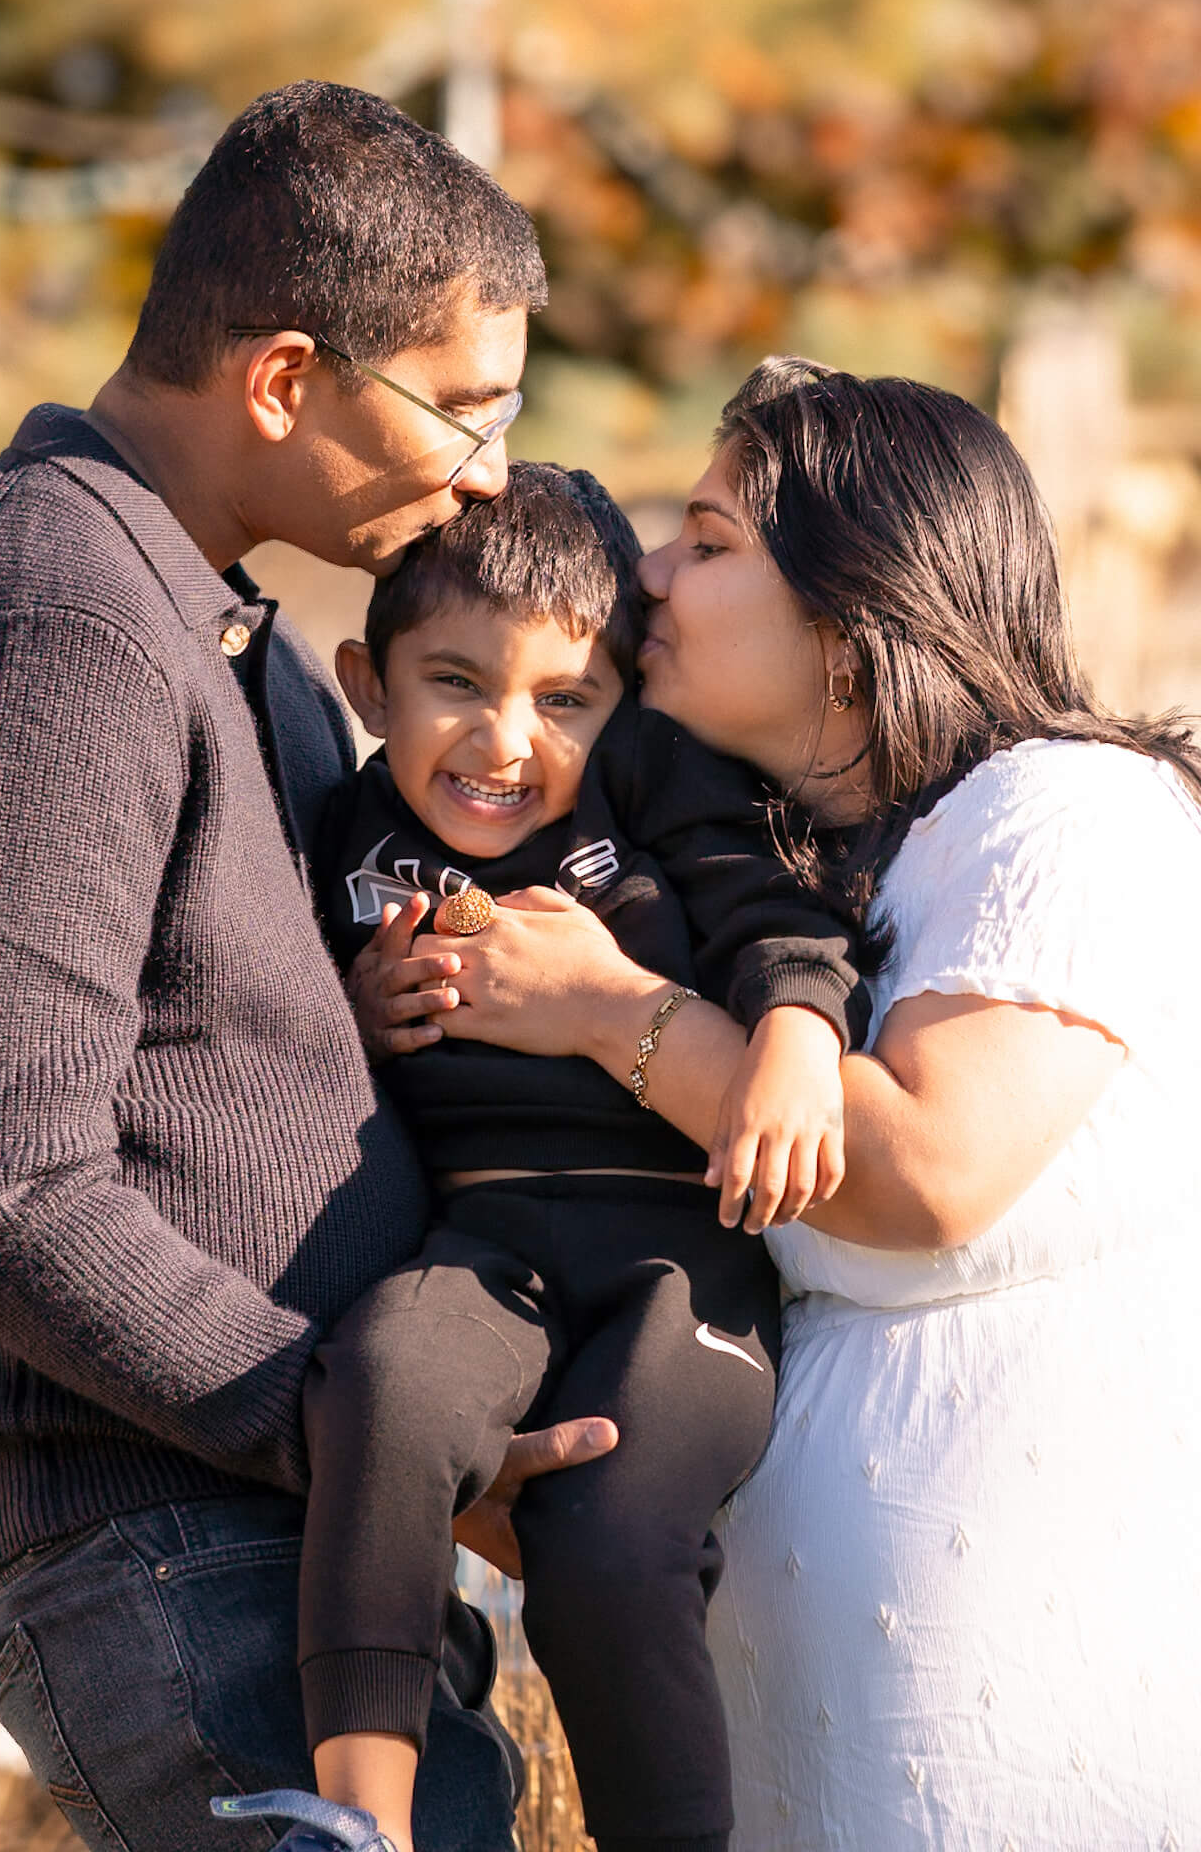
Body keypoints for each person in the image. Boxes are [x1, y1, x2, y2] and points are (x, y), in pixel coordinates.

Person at [362, 357, 1201, 1849]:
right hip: (842, 1741)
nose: (647, 576)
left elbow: (926, 1167)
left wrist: (602, 1012)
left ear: (850, 626)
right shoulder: (771, 883)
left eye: (707, 541)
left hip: (1136, 1689)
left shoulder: (1063, 808)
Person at [0, 79, 612, 1852]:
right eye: (462, 411)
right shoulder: (49, 610)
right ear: (284, 379)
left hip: (265, 1518)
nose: (490, 472)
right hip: (150, 1528)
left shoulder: (216, 620)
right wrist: (355, 1432)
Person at [293, 459, 864, 1852]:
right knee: (378, 1383)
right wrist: (353, 1014)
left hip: (684, 1264)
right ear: (367, 685)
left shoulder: (652, 790)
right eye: (453, 684)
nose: (503, 742)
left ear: (619, 706)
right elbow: (264, 1035)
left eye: (562, 700)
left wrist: (795, 1029)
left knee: (605, 1545)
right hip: (482, 1251)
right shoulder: (339, 832)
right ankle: (358, 1820)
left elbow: (771, 911)